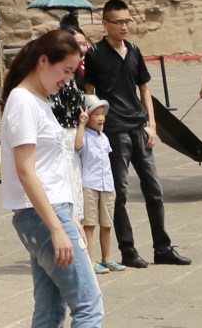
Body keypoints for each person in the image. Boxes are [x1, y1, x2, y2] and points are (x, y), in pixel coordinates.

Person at [2, 28, 103, 328]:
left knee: (50, 309)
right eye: (66, 70)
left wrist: (68, 217)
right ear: (43, 60)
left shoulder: (40, 100)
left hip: (51, 212)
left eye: (73, 72)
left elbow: (51, 168)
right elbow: (25, 170)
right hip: (43, 215)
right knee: (88, 306)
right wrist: (57, 227)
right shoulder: (23, 102)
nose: (68, 79)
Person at [83, 0, 188, 268]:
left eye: (127, 21)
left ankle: (162, 248)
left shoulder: (134, 50)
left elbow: (145, 89)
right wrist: (96, 127)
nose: (124, 26)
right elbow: (90, 93)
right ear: (105, 24)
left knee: (154, 190)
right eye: (118, 22)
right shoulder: (95, 54)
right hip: (115, 131)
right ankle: (127, 250)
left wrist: (152, 124)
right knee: (120, 193)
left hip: (140, 128)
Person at [78, 96, 120, 271]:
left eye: (103, 114)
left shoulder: (104, 138)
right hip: (90, 184)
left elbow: (107, 162)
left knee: (107, 224)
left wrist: (113, 187)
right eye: (96, 114)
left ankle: (107, 258)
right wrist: (81, 125)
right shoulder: (85, 136)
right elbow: (77, 145)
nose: (101, 118)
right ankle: (91, 260)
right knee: (89, 224)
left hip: (107, 185)